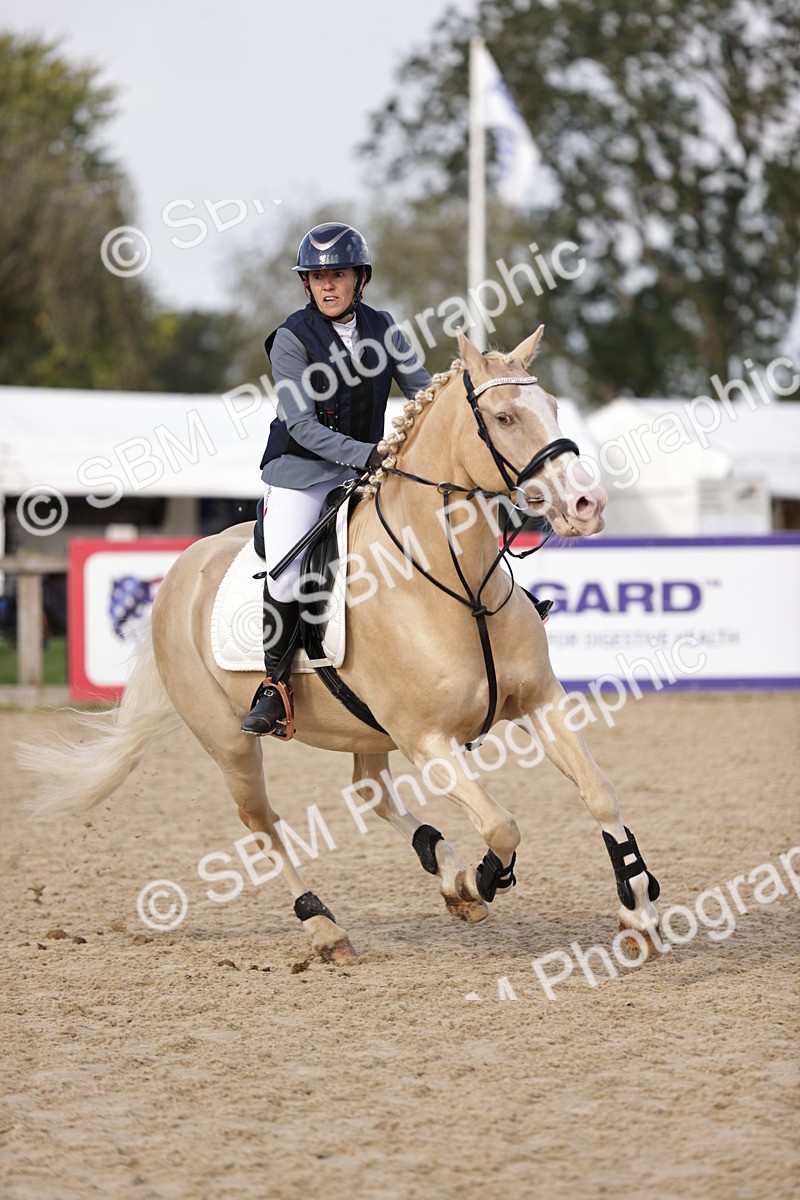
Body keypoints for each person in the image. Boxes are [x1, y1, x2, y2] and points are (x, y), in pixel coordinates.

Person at [241, 221, 433, 736]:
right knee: (285, 571)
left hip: (364, 470)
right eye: (317, 276)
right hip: (301, 475)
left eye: (339, 274)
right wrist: (368, 455)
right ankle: (274, 685)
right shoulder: (290, 339)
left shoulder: (385, 327)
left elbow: (424, 395)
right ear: (306, 283)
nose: (327, 285)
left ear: (360, 279)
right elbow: (301, 425)